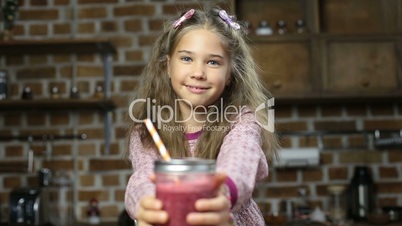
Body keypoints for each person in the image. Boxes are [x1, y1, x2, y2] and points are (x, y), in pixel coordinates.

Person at [125, 5, 279, 226]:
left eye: (213, 62)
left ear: (229, 74)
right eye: (187, 59)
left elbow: (240, 160)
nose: (198, 73)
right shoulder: (148, 129)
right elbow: (143, 176)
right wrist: (148, 203)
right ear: (168, 66)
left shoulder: (242, 120)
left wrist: (221, 193)